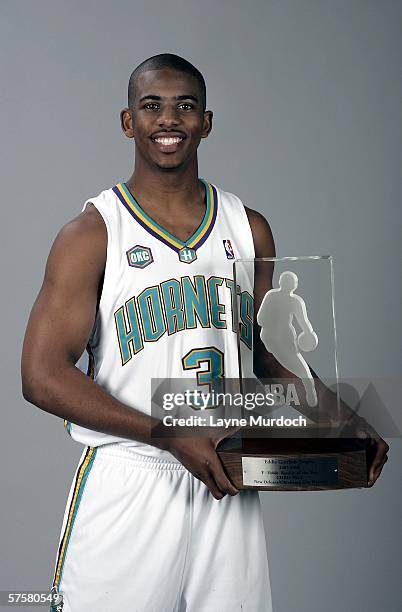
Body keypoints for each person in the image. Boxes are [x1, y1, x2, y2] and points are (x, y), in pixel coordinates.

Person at [21, 53, 388, 612]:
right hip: (131, 475)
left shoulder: (248, 227)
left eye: (184, 107)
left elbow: (268, 350)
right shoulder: (93, 231)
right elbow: (41, 375)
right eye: (152, 106)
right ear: (128, 121)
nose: (168, 120)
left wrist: (342, 416)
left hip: (225, 470)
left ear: (206, 122)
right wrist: (167, 431)